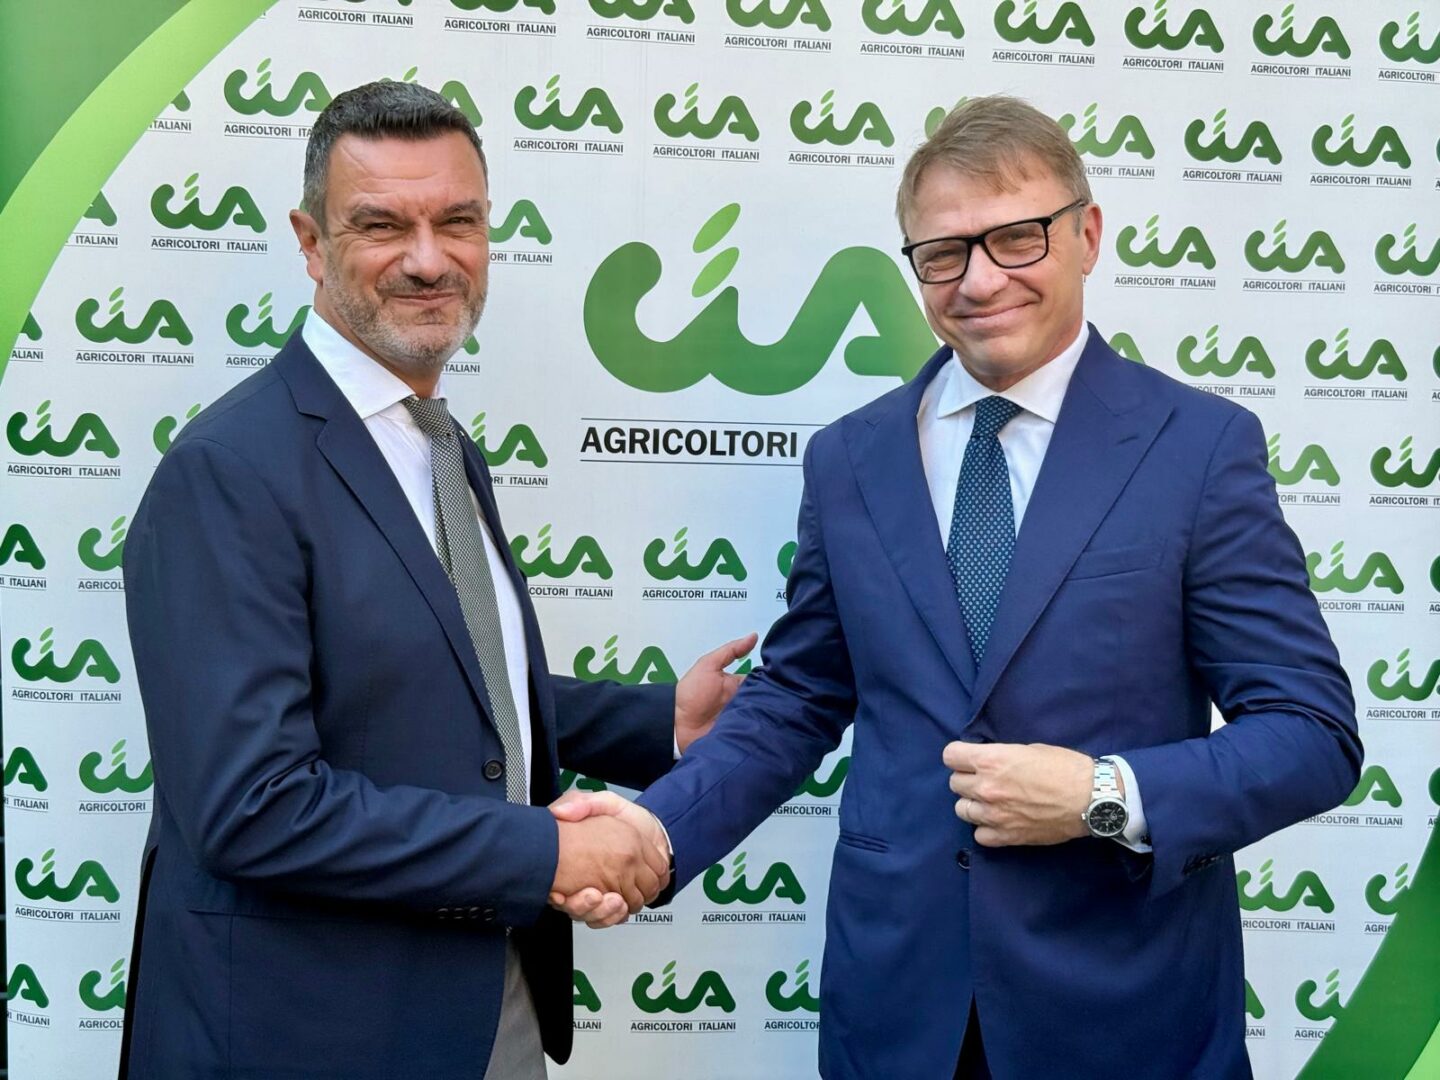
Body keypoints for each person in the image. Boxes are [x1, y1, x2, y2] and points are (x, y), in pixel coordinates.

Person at [554, 96, 1362, 1079]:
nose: (980, 280)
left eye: (1017, 238)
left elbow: (1312, 735)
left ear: (1087, 235)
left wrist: (1104, 795)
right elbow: (799, 697)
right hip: (898, 1012)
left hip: (1125, 1015)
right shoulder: (850, 460)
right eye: (944, 254)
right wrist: (657, 829)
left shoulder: (1197, 449)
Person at [119, 80, 753, 1080]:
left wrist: (659, 724)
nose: (428, 258)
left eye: (458, 221)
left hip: (482, 1002)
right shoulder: (228, 471)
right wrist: (546, 854)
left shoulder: (438, 445)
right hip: (309, 1034)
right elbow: (252, 806)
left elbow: (439, 687)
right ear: (311, 242)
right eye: (382, 225)